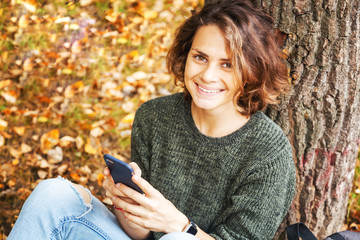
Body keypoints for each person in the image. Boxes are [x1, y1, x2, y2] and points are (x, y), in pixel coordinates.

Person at [8, 1, 296, 239]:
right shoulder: (154, 117)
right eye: (200, 57)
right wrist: (127, 205)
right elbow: (142, 235)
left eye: (227, 64)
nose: (208, 76)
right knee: (53, 194)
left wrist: (181, 226)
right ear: (186, 55)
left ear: (253, 71)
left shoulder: (268, 153)